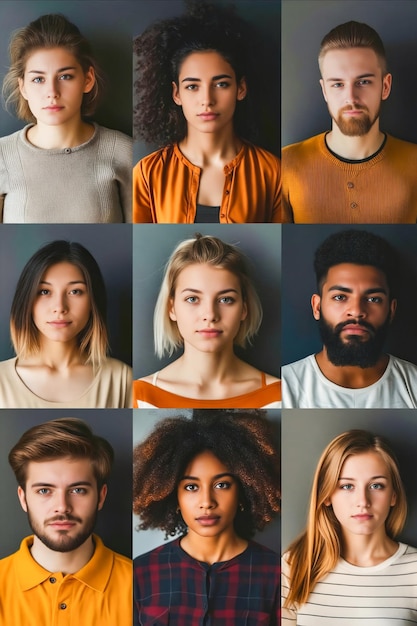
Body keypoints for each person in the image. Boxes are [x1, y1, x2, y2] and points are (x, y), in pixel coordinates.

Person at [133, 1, 281, 223]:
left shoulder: (271, 171)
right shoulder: (148, 173)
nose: (207, 100)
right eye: (192, 86)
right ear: (176, 94)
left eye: (221, 84)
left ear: (241, 88)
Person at [133, 410, 280, 625]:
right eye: (191, 487)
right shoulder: (142, 572)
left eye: (222, 485)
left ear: (243, 492)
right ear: (174, 496)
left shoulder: (276, 573)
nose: (207, 501)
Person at [281, 20, 417, 223]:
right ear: (324, 90)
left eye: (363, 82)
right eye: (337, 84)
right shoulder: (283, 165)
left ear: (385, 86)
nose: (351, 97)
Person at [0, 13, 132, 223]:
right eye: (38, 79)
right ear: (22, 86)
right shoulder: (3, 156)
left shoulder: (125, 153)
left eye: (65, 76)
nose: (52, 91)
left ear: (87, 80)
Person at [0, 417, 132, 625]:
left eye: (78, 490)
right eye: (44, 490)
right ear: (23, 498)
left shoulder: (141, 586)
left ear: (101, 496)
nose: (62, 506)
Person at [282, 429, 417, 624]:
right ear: (327, 495)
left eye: (376, 485)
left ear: (393, 495)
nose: (362, 501)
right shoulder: (295, 565)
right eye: (347, 486)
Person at [133, 233, 281, 408]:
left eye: (226, 299)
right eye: (192, 299)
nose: (210, 315)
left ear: (244, 309)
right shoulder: (140, 396)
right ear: (171, 308)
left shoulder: (279, 396)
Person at [282, 229, 417, 408]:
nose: (356, 311)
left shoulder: (413, 385)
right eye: (340, 297)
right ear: (317, 307)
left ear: (391, 310)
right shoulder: (284, 387)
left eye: (373, 299)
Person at [0, 240, 132, 408]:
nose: (59, 307)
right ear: (26, 300)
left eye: (75, 291)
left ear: (93, 301)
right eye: (44, 291)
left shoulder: (121, 379)